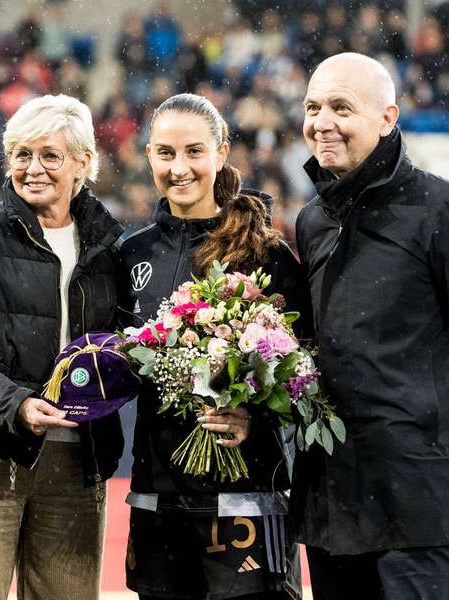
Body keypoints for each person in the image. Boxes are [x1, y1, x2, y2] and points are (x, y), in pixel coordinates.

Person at [292, 53, 449, 599]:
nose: (322, 122)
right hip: (334, 505)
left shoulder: (447, 209)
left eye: (341, 108)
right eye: (313, 107)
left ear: (388, 118)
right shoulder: (312, 220)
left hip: (423, 503)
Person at [0, 94, 123, 600]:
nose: (33, 169)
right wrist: (17, 406)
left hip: (78, 467)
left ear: (83, 163)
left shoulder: (115, 248)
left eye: (50, 156)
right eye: (21, 154)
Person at [116, 93, 311, 600]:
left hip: (247, 499)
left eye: (193, 152)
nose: (179, 168)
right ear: (149, 156)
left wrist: (256, 415)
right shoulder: (130, 255)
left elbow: (308, 372)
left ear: (222, 152)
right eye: (164, 153)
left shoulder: (267, 254)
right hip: (157, 498)